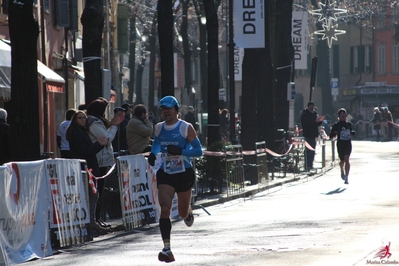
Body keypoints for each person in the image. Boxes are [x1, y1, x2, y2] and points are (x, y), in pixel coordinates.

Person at [147, 96, 203, 263]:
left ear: (176, 110)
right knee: (165, 207)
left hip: (184, 172)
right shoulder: (158, 127)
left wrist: (180, 151)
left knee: (181, 212)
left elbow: (198, 151)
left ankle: (188, 212)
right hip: (166, 172)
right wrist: (153, 153)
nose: (166, 112)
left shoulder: (186, 128)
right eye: (163, 109)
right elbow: (157, 142)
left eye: (169, 109)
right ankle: (166, 248)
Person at [66, 110, 109, 237]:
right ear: (75, 120)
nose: (83, 120)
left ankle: (92, 220)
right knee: (90, 195)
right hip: (85, 168)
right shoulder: (76, 133)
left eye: (84, 118)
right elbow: (84, 151)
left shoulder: (80, 131)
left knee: (92, 195)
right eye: (80, 118)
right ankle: (90, 221)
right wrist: (99, 145)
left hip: (88, 167)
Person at [86, 98, 125, 228]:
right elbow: (106, 139)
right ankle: (96, 219)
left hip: (103, 159)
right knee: (98, 191)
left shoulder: (98, 121)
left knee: (101, 191)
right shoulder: (94, 122)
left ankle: (98, 218)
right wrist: (114, 126)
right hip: (99, 160)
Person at [329, 108, 355, 184]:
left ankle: (347, 177)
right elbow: (331, 135)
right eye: (341, 114)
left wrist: (353, 132)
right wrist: (335, 133)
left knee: (347, 159)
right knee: (342, 161)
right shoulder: (336, 125)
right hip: (340, 144)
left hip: (347, 143)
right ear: (339, 116)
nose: (343, 115)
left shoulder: (349, 124)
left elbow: (352, 131)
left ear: (346, 116)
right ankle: (341, 170)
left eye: (344, 114)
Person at [300, 101, 324, 169]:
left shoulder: (315, 114)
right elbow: (306, 124)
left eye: (312, 106)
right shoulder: (305, 114)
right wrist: (315, 122)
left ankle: (311, 164)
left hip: (313, 134)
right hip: (307, 134)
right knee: (308, 150)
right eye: (310, 106)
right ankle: (307, 164)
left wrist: (320, 121)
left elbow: (316, 124)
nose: (312, 107)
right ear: (308, 106)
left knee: (313, 149)